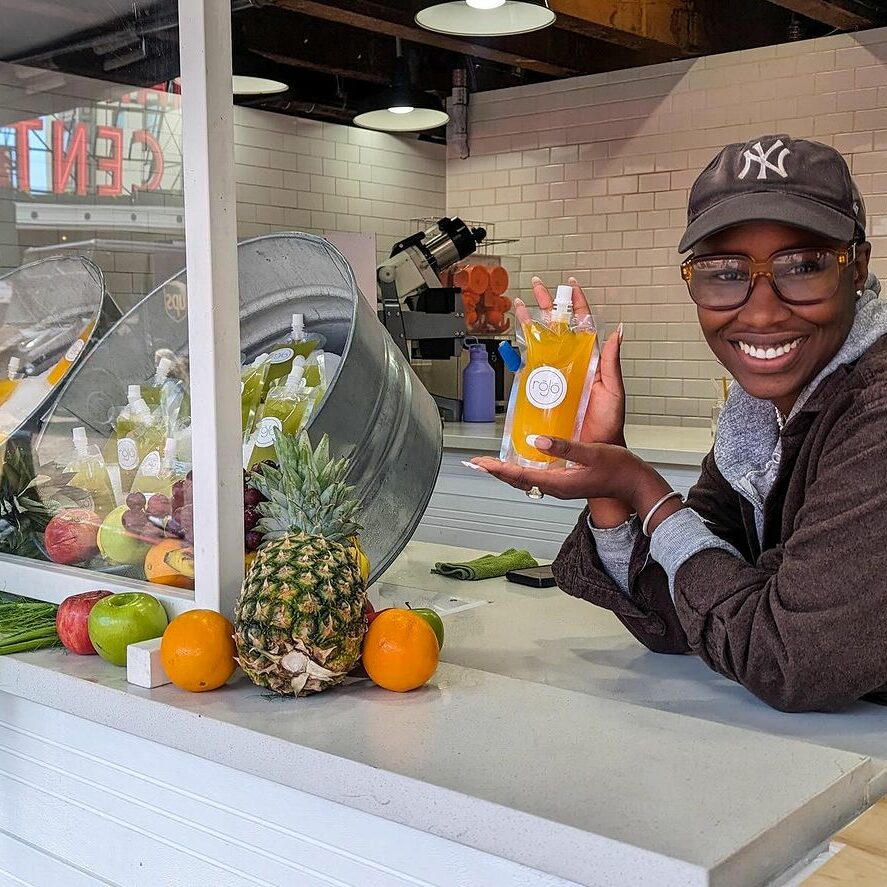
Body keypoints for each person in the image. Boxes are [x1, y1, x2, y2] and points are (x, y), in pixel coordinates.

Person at [473, 134, 887, 712]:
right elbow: (676, 620)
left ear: (858, 267)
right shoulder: (756, 421)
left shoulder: (874, 410)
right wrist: (609, 480)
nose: (762, 312)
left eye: (803, 267)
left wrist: (649, 493)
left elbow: (790, 661)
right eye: (723, 271)